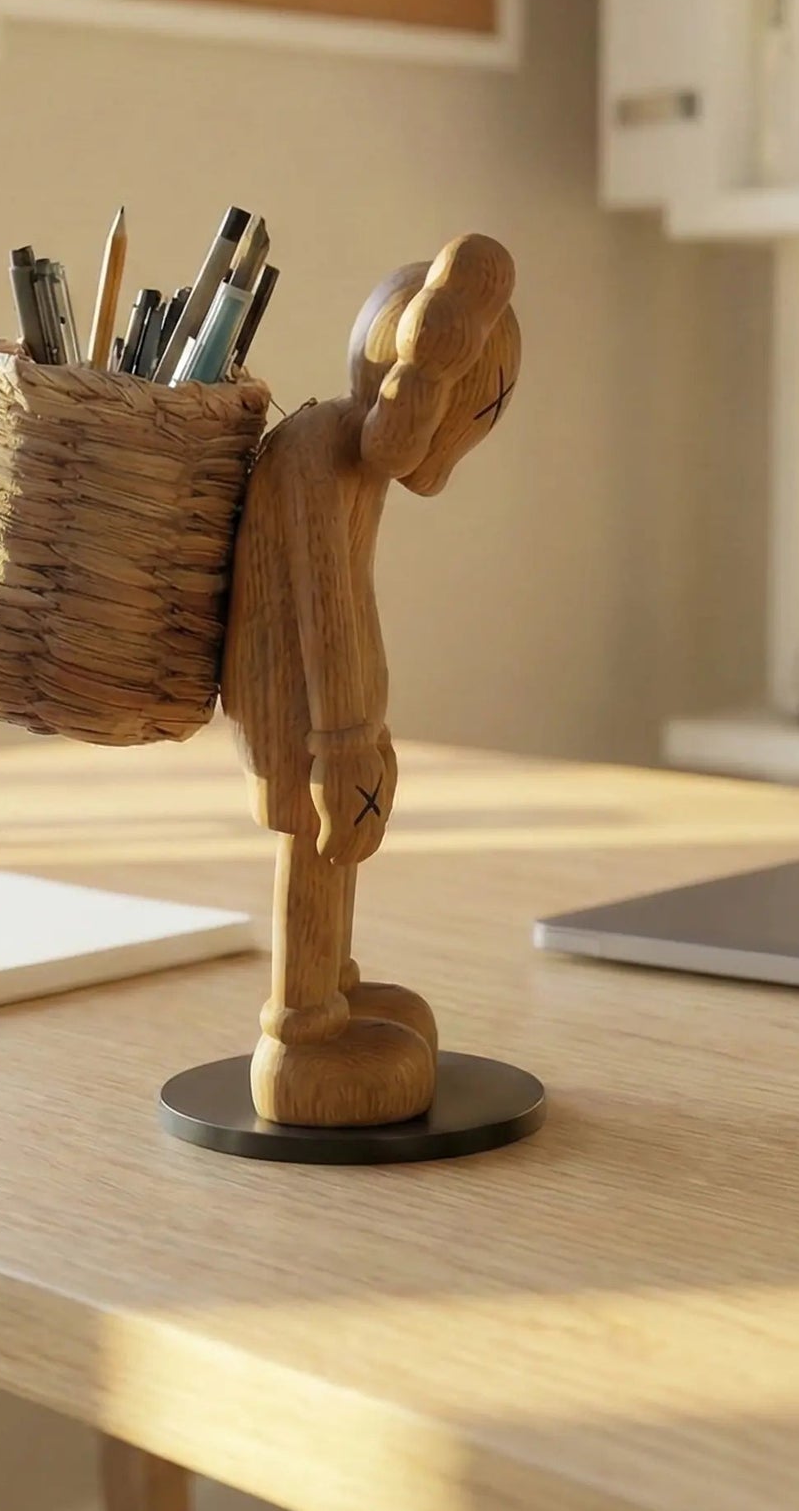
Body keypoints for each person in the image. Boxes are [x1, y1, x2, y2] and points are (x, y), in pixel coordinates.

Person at [222, 234, 520, 1126]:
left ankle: (334, 985)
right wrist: (343, 743)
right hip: (302, 709)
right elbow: (324, 606)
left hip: (331, 711)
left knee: (335, 849)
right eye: (481, 412)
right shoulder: (318, 450)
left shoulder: (343, 453)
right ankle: (299, 1033)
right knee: (315, 844)